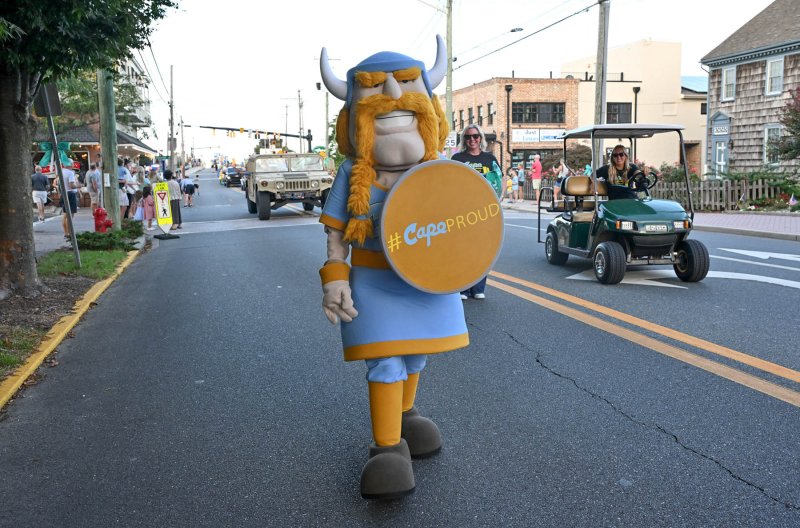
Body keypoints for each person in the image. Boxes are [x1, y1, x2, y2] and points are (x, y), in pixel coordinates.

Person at [319, 36, 466, 499]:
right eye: (379, 111)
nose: (394, 104)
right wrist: (335, 280)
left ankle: (404, 416)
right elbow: (336, 232)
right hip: (376, 278)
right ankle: (386, 449)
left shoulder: (436, 171)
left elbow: (467, 222)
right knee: (386, 359)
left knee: (416, 353)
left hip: (423, 276)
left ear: (429, 116)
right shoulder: (351, 174)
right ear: (355, 123)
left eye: (408, 104)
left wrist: (466, 262)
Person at [451, 124, 498, 300]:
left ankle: (478, 287)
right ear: (464, 140)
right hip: (462, 210)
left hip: (484, 211)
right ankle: (463, 288)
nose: (472, 140)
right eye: (468, 137)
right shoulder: (457, 158)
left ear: (481, 139)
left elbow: (498, 182)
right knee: (462, 249)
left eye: (475, 136)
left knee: (481, 250)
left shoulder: (489, 159)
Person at [60, 166, 79, 237]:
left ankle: (66, 232)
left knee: (65, 214)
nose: (73, 165)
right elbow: (72, 185)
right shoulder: (70, 173)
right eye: (72, 163)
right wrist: (79, 186)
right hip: (70, 193)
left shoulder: (61, 171)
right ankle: (70, 233)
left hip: (64, 193)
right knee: (70, 214)